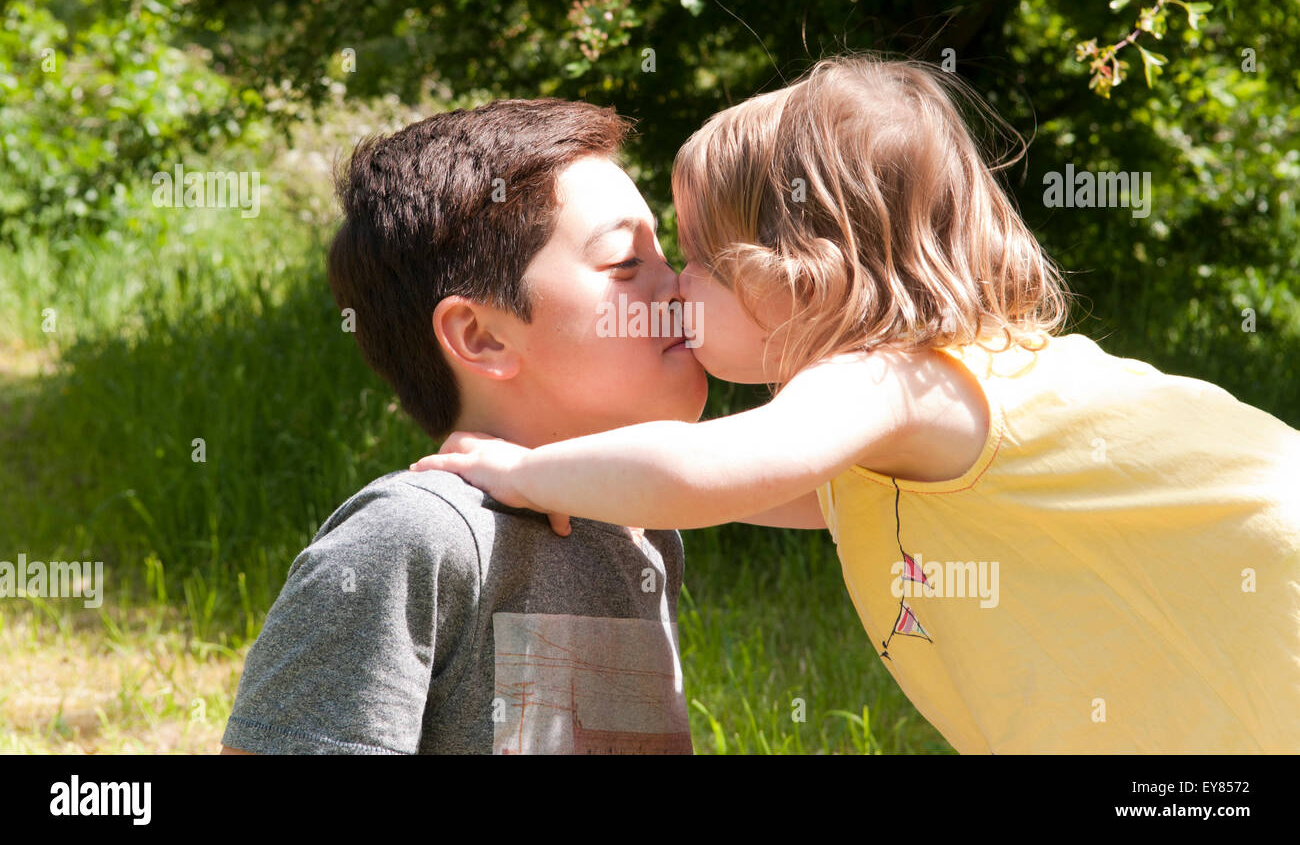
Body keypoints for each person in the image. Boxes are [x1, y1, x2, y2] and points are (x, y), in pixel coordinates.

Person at [412, 54, 1300, 754]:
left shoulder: (890, 376)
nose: (678, 285)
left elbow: (715, 474)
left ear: (801, 277)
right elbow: (755, 491)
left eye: (702, 262)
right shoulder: (886, 429)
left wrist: (530, 471)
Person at [220, 98, 717, 754]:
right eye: (626, 265)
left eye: (666, 254)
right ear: (480, 336)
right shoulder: (417, 535)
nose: (679, 287)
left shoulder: (640, 532)